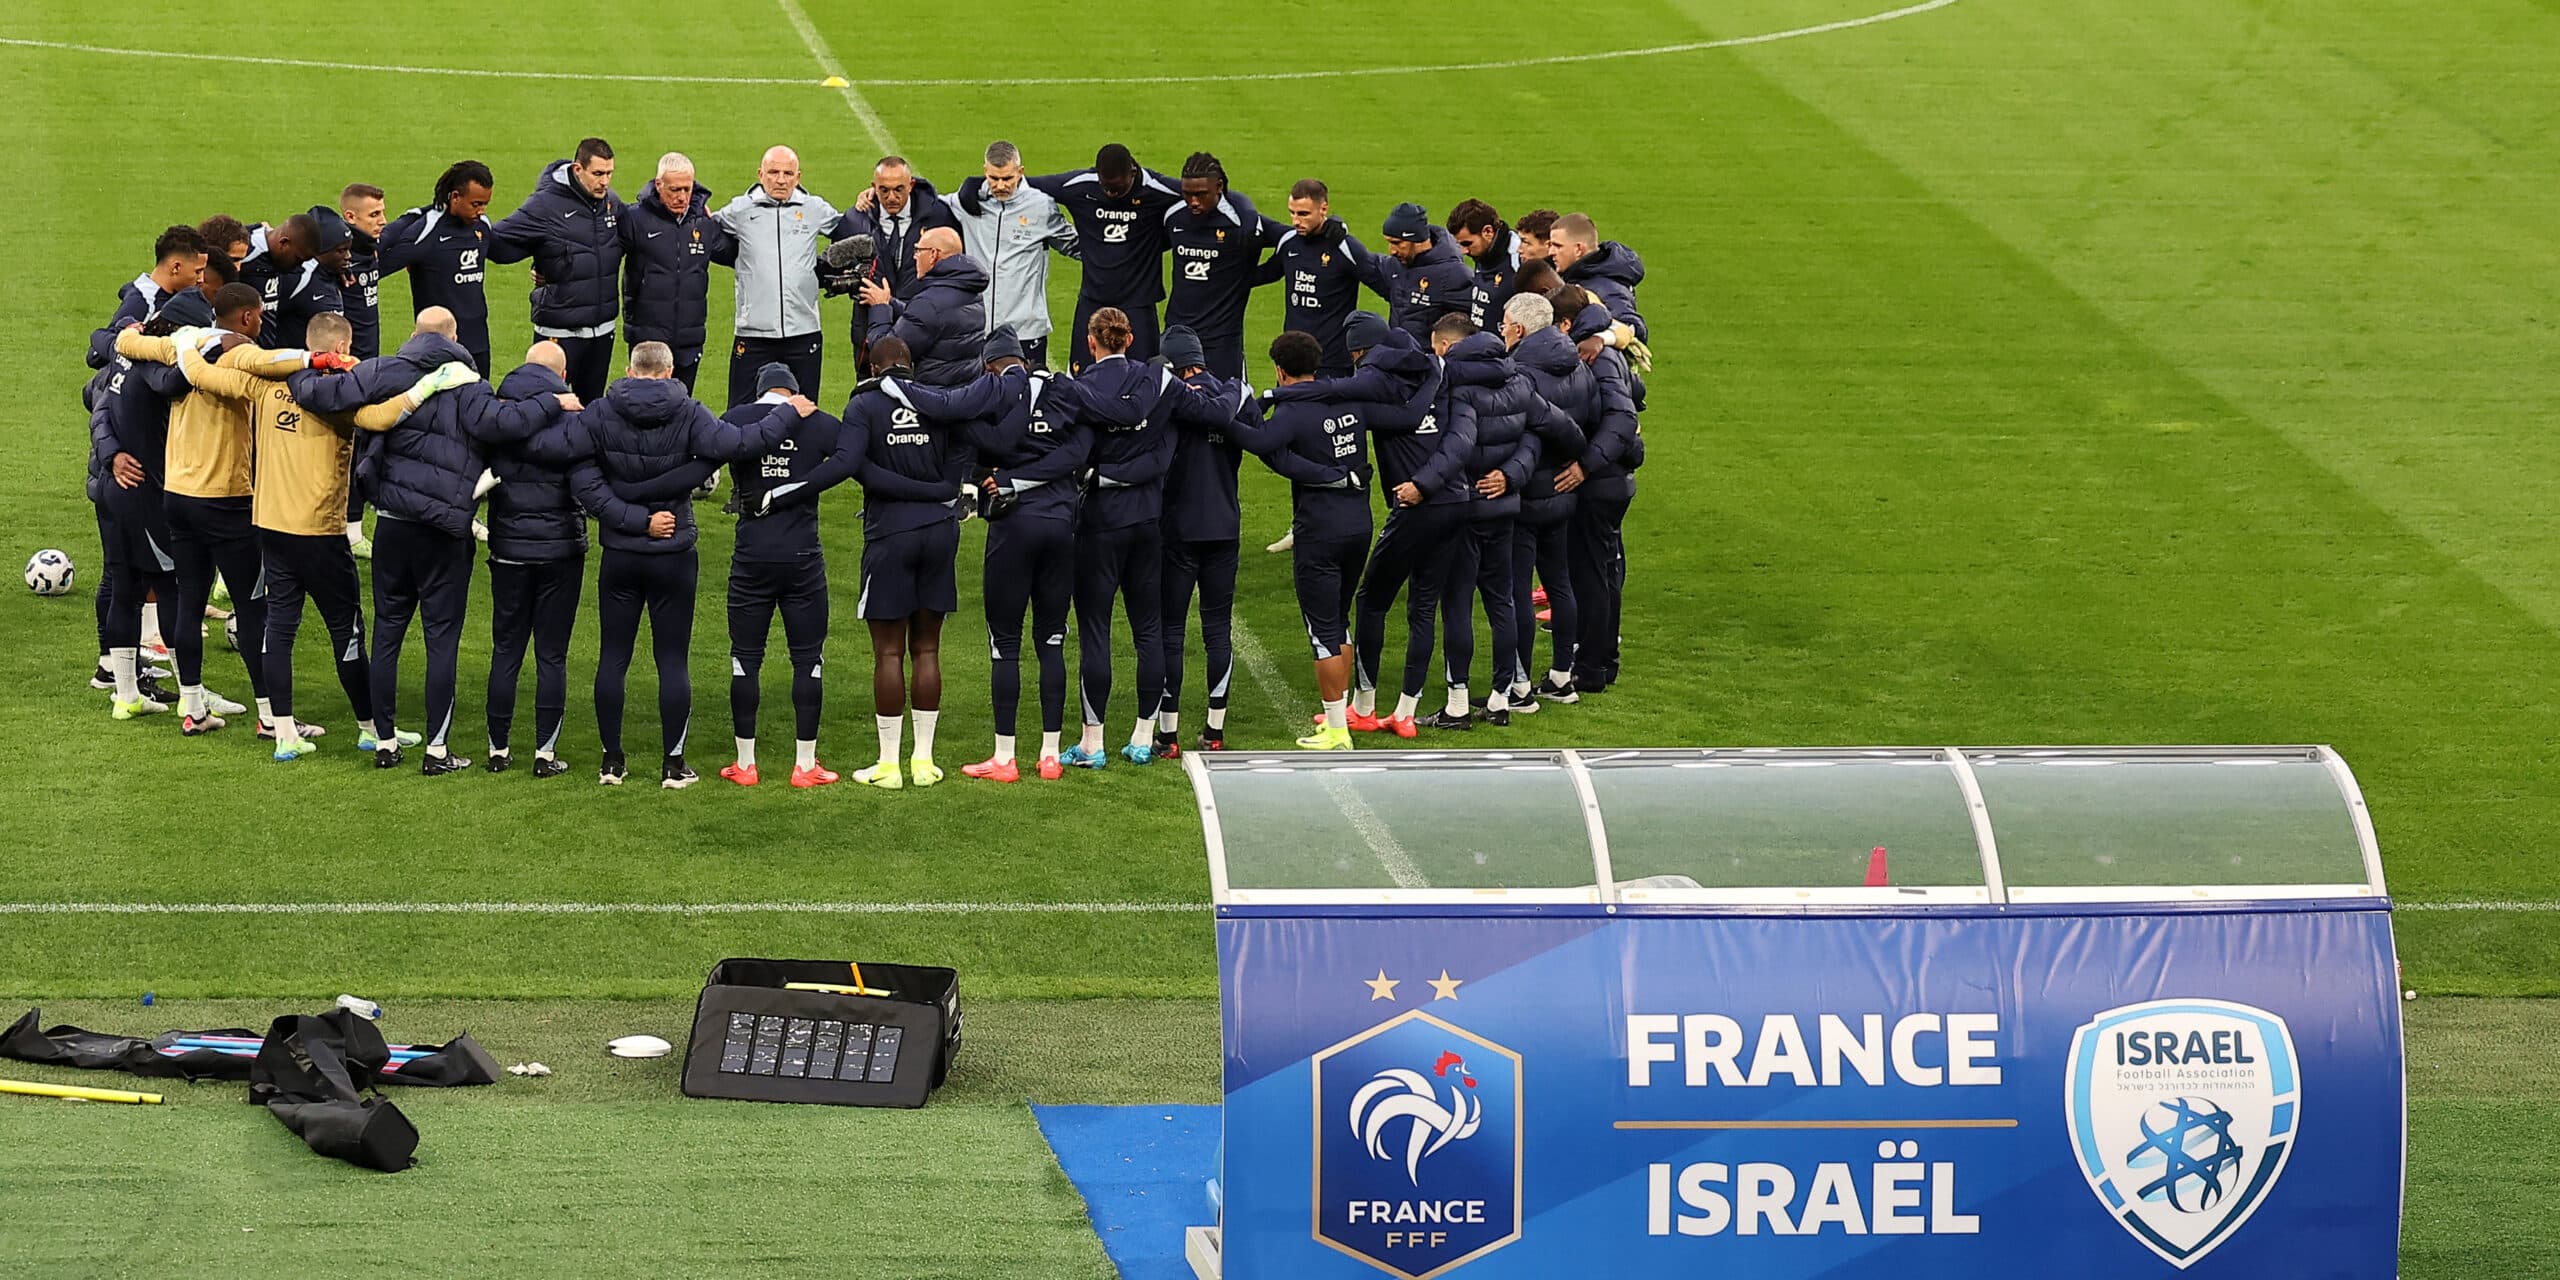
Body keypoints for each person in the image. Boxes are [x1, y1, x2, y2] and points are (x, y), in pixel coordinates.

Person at [521, 340, 809, 787]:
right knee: (672, 660)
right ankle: (674, 765)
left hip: (620, 552)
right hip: (673, 552)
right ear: (670, 370)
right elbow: (745, 443)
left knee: (613, 657)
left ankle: (612, 762)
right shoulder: (690, 411)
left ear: (630, 370)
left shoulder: (599, 411)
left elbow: (556, 456)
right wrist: (789, 411)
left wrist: (631, 518)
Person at [297, 311, 568, 773]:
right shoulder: (471, 385)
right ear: (455, 338)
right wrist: (553, 403)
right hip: (443, 529)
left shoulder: (385, 371)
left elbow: (314, 393)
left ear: (414, 335)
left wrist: (305, 362)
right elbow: (505, 426)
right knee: (441, 639)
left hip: (393, 523)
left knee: (387, 632)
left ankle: (384, 742)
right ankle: (437, 751)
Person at [182, 313, 459, 761]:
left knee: (280, 628)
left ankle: (285, 733)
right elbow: (382, 417)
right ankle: (370, 728)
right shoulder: (339, 397)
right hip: (320, 531)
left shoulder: (266, 386)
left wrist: (188, 341)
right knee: (345, 631)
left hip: (270, 524)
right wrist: (427, 387)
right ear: (344, 346)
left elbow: (201, 373)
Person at [888, 328, 1090, 781]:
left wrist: (1006, 477)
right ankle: (1051, 754)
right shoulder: (1063, 391)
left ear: (989, 364)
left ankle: (1005, 757)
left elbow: (964, 431)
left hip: (1013, 527)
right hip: (1061, 524)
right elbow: (1080, 450)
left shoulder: (993, 394)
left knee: (1006, 644)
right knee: (1052, 640)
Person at [116, 284, 314, 740]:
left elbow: (126, 341)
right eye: (259, 316)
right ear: (244, 318)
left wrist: (158, 334)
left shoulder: (180, 347)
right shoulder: (237, 354)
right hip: (225, 499)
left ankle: (192, 708)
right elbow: (274, 361)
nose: (261, 323)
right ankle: (271, 718)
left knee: (188, 600)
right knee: (253, 609)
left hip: (178, 495)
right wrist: (314, 358)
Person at [1269, 311, 1455, 737]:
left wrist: (1261, 403)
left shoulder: (1371, 378)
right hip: (1452, 502)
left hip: (1403, 507)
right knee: (1425, 607)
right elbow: (1438, 429)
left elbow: (1265, 439)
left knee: (1357, 610)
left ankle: (1352, 717)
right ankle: (1402, 711)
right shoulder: (1432, 372)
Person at [1060, 307, 1199, 768]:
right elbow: (1204, 410)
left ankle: (1092, 743)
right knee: (1149, 630)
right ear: (1131, 338)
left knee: (1095, 630)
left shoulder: (1081, 389)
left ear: (1091, 341)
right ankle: (1142, 737)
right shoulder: (1154, 382)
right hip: (1147, 522)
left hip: (1098, 523)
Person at [719, 362, 854, 788]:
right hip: (802, 556)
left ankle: (745, 764)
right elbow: (854, 455)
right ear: (796, 391)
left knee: (745, 659)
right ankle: (805, 764)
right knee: (807, 660)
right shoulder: (818, 423)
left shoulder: (736, 420)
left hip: (751, 555)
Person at [846, 338, 970, 789]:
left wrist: (903, 492)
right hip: (940, 530)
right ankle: (923, 761)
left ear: (872, 366)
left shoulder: (863, 406)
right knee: (928, 648)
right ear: (910, 366)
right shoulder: (937, 402)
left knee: (889, 651)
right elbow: (955, 470)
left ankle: (888, 764)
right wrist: (931, 493)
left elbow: (857, 467)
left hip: (890, 532)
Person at [1429, 313, 1563, 728]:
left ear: (1449, 347)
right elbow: (1543, 431)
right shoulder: (1519, 379)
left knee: (1456, 605)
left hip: (1465, 507)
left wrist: (1424, 484)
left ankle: (1457, 703)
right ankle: (1503, 698)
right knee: (1502, 601)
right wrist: (1513, 476)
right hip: (1504, 508)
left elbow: (1454, 446)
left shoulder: (1452, 383)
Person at [1247, 331, 1375, 751]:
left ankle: (1337, 729)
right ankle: (1344, 715)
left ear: (1281, 370)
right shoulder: (1348, 401)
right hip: (1359, 522)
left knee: (1322, 630)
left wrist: (1252, 406)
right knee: (1339, 621)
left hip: (1320, 530)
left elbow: (1258, 442)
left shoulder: (1291, 415)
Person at [91, 298, 216, 722]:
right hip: (146, 493)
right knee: (172, 588)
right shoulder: (152, 363)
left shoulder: (126, 353)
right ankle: (191, 695)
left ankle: (126, 695)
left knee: (125, 588)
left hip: (115, 489)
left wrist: (111, 454)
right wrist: (193, 351)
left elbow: (101, 404)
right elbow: (173, 382)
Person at [482, 341, 595, 776]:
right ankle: (545, 753)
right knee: (552, 654)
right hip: (560, 550)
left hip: (509, 547)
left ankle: (498, 749)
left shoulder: (496, 413)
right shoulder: (575, 419)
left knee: (506, 649)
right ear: (562, 378)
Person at [976, 144, 1181, 372]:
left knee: (1142, 378)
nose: (1111, 194)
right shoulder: (1082, 184)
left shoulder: (1156, 188)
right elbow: (1023, 183)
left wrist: (1166, 240)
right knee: (1082, 377)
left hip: (1138, 305)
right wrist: (976, 185)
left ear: (1132, 173)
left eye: (1117, 189)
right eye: (1106, 188)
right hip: (1092, 300)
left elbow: (1197, 194)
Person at [1151, 325, 1256, 755]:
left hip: (1177, 529)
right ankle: (1215, 731)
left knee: (1171, 630)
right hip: (1225, 524)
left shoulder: (1169, 396)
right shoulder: (1235, 394)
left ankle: (1168, 733)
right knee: (1217, 629)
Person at [1549, 284, 1643, 694]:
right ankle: (1602, 663)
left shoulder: (1597, 356)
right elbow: (1634, 397)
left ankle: (1589, 667)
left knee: (1591, 577)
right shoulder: (1603, 349)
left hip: (1600, 482)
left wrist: (1585, 466)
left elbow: (1621, 419)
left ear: (1567, 323)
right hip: (1612, 478)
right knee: (1601, 574)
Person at [1503, 290, 1594, 706]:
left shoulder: (1520, 372)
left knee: (1518, 589)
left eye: (1504, 324)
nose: (1500, 331)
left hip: (1527, 493)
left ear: (1519, 329)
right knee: (1559, 582)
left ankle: (1520, 688)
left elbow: (1519, 433)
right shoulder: (1578, 364)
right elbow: (1593, 418)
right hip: (1564, 488)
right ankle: (1561, 677)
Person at [489, 138, 626, 400]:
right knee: (545, 406)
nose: (605, 182)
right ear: (578, 169)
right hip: (559, 333)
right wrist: (541, 259)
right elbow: (498, 242)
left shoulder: (610, 202)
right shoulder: (545, 205)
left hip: (603, 330)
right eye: (598, 174)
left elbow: (635, 232)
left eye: (609, 173)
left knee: (591, 410)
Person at [713, 145, 844, 406]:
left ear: (798, 177)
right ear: (760, 174)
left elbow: (847, 229)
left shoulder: (814, 208)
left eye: (788, 173)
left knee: (805, 409)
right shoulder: (740, 210)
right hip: (753, 332)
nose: (781, 179)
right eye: (773, 172)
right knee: (740, 411)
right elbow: (707, 231)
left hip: (803, 329)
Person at [938, 141, 1077, 370]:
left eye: (1007, 178)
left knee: (1026, 400)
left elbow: (1075, 245)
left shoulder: (1040, 206)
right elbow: (927, 204)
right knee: (977, 400)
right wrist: (871, 195)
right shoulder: (968, 202)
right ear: (985, 171)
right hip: (978, 329)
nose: (1000, 185)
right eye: (994, 178)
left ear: (1020, 172)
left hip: (1025, 330)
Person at [1160, 152, 1286, 381]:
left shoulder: (1240, 221)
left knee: (1231, 408)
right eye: (1187, 194)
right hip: (1177, 335)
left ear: (1218, 187)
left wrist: (1252, 276)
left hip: (1222, 340)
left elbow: (1291, 240)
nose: (1193, 202)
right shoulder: (1174, 216)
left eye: (1201, 195)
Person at [622, 152, 734, 395]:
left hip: (689, 340)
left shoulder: (703, 223)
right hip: (647, 339)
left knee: (682, 410)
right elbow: (601, 257)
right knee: (644, 406)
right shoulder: (635, 219)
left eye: (687, 189)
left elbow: (739, 257)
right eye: (675, 190)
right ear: (658, 184)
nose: (682, 197)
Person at [379, 161, 498, 374]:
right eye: (476, 204)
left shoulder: (481, 226)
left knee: (478, 403)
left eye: (484, 204)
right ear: (455, 197)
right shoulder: (428, 229)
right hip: (437, 347)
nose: (481, 211)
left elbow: (506, 252)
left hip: (478, 342)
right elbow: (381, 265)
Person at [846, 155, 958, 364]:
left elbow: (954, 264)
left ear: (911, 185)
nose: (891, 197)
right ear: (873, 187)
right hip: (869, 324)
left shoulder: (938, 215)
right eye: (884, 190)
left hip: (922, 324)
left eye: (899, 189)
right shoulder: (857, 218)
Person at [1252, 179, 1369, 377]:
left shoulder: (1344, 248)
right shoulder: (1289, 242)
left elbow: (1383, 283)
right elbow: (1264, 274)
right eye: (1292, 212)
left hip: (1332, 362)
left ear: (1323, 209)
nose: (1296, 221)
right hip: (1292, 360)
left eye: (1303, 214)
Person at [858, 227, 988, 386]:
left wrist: (879, 307)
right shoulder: (970, 291)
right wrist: (889, 301)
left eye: (918, 250)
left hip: (932, 396)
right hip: (965, 392)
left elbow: (886, 353)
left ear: (933, 254)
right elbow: (930, 321)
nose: (914, 256)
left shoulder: (929, 304)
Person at [87, 225, 208, 369]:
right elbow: (95, 356)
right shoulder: (143, 303)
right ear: (176, 267)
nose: (201, 279)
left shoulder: (172, 297)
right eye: (198, 272)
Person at [1359, 202, 1474, 343]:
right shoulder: (1397, 266)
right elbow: (1362, 261)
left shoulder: (1453, 275)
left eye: (1397, 243)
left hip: (1429, 363)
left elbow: (1473, 329)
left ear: (1417, 239)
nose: (1392, 251)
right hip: (1399, 360)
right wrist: (1339, 237)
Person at [237, 210, 349, 349]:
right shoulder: (245, 253)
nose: (300, 267)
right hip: (241, 356)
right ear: (284, 243)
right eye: (298, 259)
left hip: (265, 357)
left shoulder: (279, 262)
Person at [1549, 213, 1647, 341]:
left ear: (1578, 249)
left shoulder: (1607, 287)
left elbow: (1635, 328)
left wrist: (1600, 339)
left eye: (1557, 246)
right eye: (1550, 245)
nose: (1551, 252)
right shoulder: (1583, 276)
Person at [1447, 199, 1522, 330]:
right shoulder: (1485, 253)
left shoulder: (1519, 257)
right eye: (1459, 244)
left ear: (1488, 232)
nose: (1463, 251)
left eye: (1467, 243)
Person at [337, 184, 387, 360]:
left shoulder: (372, 245)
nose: (383, 221)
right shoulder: (335, 256)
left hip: (371, 357)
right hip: (345, 360)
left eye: (382, 212)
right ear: (350, 216)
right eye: (374, 215)